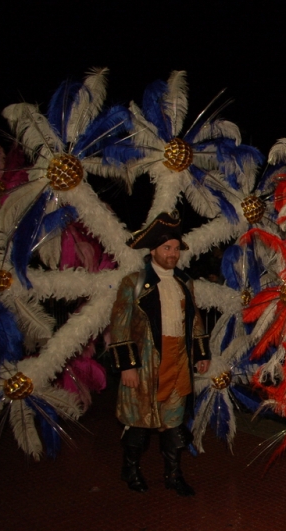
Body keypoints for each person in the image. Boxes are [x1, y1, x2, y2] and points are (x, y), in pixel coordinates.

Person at [108, 211, 211, 496]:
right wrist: (127, 366)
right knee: (139, 421)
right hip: (145, 362)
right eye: (167, 248)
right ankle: (130, 468)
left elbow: (195, 320)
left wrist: (201, 353)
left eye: (176, 248)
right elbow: (119, 325)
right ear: (153, 250)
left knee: (174, 421)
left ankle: (173, 475)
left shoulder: (184, 282)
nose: (173, 253)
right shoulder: (133, 283)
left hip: (178, 359)